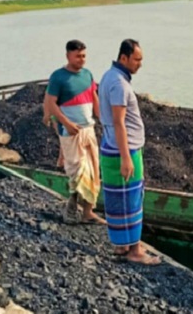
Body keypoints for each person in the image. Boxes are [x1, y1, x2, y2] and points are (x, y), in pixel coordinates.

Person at [98, 38, 160, 265]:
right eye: (137, 59)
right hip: (123, 149)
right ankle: (135, 250)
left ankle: (121, 245)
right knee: (132, 199)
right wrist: (126, 157)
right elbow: (118, 122)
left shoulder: (108, 76)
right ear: (123, 57)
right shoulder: (119, 85)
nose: (140, 64)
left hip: (111, 145)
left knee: (116, 198)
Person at [43, 39, 104, 225]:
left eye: (84, 56)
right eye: (78, 56)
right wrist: (66, 123)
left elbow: (94, 98)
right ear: (68, 55)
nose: (81, 59)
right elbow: (51, 103)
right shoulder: (58, 77)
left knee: (93, 172)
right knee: (78, 171)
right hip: (70, 132)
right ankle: (71, 207)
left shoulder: (87, 75)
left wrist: (104, 120)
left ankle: (87, 212)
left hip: (88, 129)